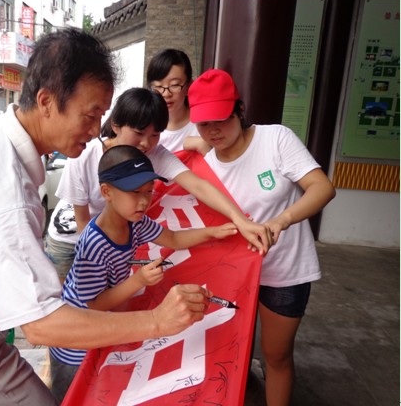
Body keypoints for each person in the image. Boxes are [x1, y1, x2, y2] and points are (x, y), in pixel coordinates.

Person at [0, 28, 214, 406]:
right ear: (46, 101)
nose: (95, 131)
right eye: (90, 115)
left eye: (101, 116)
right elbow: (42, 324)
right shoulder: (7, 185)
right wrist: (158, 321)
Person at [185, 69, 336, 406]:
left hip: (284, 272)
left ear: (239, 110)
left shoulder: (275, 139)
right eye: (204, 124)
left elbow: (322, 188)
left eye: (221, 120)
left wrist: (282, 220)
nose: (213, 131)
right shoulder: (204, 166)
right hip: (232, 276)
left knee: (276, 355)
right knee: (225, 352)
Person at [49, 145, 239, 402]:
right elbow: (94, 304)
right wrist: (137, 280)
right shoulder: (93, 243)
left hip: (102, 326)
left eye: (149, 191)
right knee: (71, 397)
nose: (143, 201)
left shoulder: (135, 222)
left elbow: (173, 238)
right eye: (134, 192)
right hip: (75, 346)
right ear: (106, 192)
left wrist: (212, 232)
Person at [45, 87, 272, 284]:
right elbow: (83, 221)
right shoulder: (85, 157)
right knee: (73, 305)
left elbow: (198, 186)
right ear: (115, 125)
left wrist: (239, 220)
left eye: (155, 135)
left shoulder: (155, 154)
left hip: (112, 241)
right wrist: (106, 257)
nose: (146, 143)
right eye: (138, 133)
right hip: (72, 241)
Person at [146, 48, 199, 152]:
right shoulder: (144, 128)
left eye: (174, 85)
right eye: (158, 86)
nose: (166, 94)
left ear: (189, 86)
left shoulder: (203, 125)